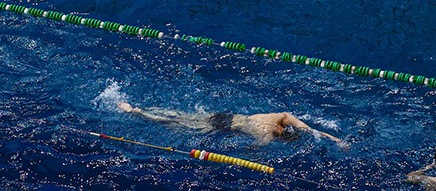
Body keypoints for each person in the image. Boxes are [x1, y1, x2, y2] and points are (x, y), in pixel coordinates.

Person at [117, 101, 344, 146]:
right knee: (173, 123)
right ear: (281, 136)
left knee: (179, 115)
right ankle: (136, 112)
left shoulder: (281, 117)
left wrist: (336, 139)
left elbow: (309, 129)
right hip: (219, 128)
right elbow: (255, 150)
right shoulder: (266, 135)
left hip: (224, 116)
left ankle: (137, 108)